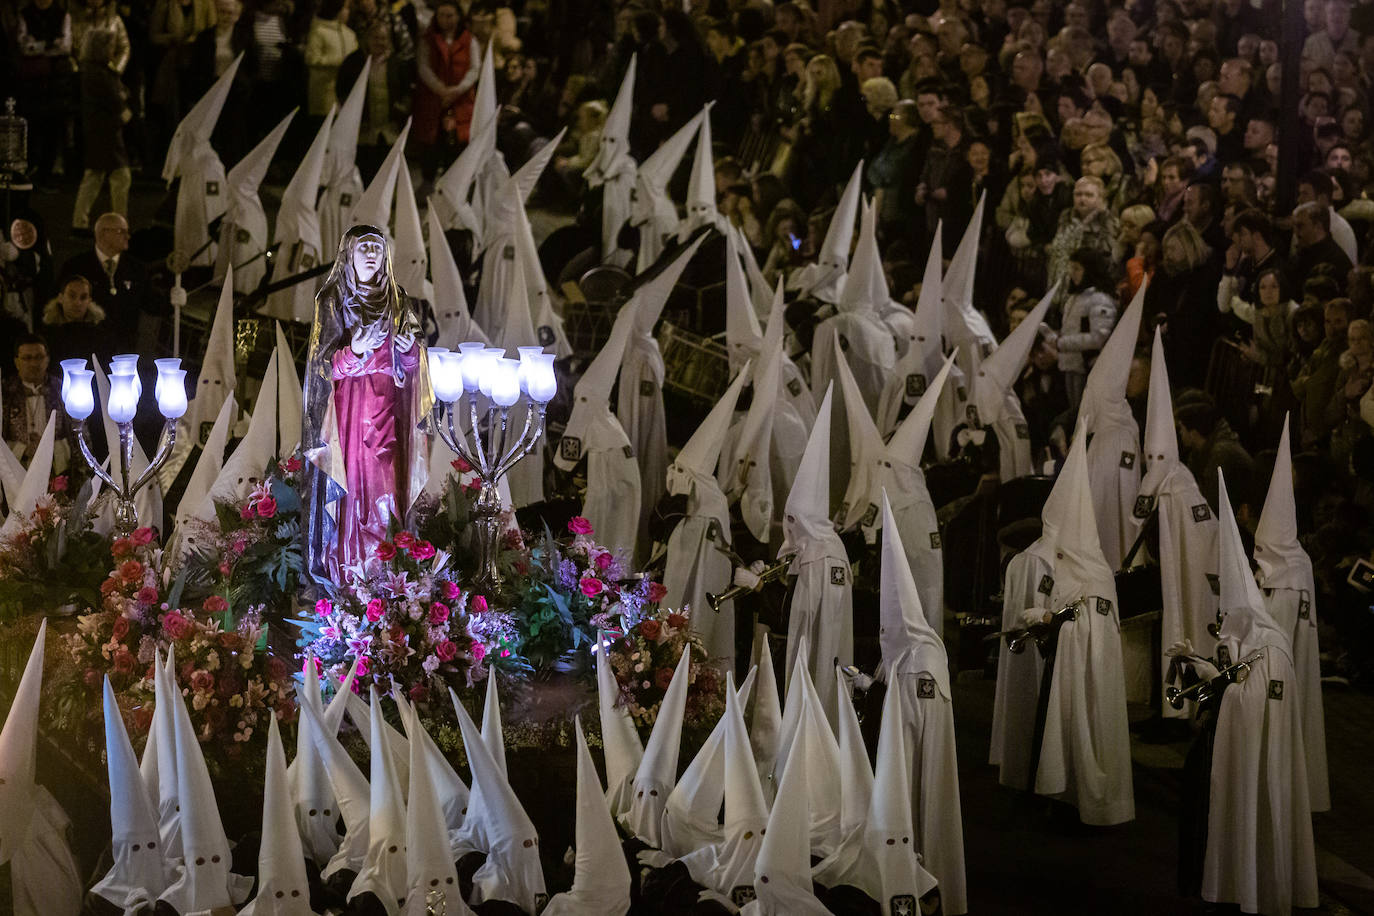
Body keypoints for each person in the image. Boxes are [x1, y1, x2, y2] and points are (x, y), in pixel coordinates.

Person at [301, 227, 433, 585]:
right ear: (349, 255)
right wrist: (355, 351)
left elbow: (414, 365)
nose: (372, 253)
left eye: (378, 247)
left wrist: (407, 351)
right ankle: (349, 568)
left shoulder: (397, 299)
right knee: (352, 487)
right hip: (347, 414)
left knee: (386, 485)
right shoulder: (332, 298)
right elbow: (320, 364)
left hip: (388, 409)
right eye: (364, 248)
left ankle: (385, 570)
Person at [60, 213, 150, 352]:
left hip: (123, 351)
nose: (128, 236)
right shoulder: (75, 267)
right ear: (103, 234)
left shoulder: (136, 268)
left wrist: (173, 299)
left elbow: (150, 301)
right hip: (86, 347)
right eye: (121, 232)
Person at [71, 29, 132, 233]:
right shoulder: (99, 73)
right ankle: (119, 223)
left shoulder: (90, 70)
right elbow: (116, 98)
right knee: (120, 177)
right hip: (107, 132)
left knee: (95, 176)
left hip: (99, 131)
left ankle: (80, 221)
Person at [411, 0, 479, 175]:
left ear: (458, 17)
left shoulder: (470, 40)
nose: (445, 20)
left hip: (461, 102)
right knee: (431, 146)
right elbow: (423, 67)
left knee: (457, 147)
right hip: (433, 101)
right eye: (441, 15)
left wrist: (457, 90)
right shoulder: (428, 40)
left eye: (449, 16)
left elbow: (474, 69)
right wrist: (441, 89)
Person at [1056, 247, 1118, 413]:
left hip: (1085, 366)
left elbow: (1099, 337)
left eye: (1077, 268)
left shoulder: (1099, 299)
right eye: (1071, 268)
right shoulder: (1074, 298)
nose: (1072, 273)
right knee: (1072, 412)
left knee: (1082, 413)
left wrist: (1061, 343)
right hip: (1070, 363)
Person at [3, 333, 71, 473]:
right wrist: (24, 449)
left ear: (47, 359)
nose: (34, 364)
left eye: (39, 357)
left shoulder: (62, 389)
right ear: (17, 362)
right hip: (16, 472)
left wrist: (48, 447)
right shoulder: (4, 393)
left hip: (57, 473)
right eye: (27, 358)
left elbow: (77, 437)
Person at [41, 274, 112, 367]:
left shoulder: (102, 336)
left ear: (89, 301)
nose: (77, 303)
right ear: (60, 298)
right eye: (72, 296)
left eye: (83, 297)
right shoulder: (46, 336)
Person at [305, 0, 358, 119]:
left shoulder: (350, 34)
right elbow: (312, 58)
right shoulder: (319, 31)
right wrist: (339, 61)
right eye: (346, 8)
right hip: (325, 93)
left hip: (346, 94)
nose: (348, 12)